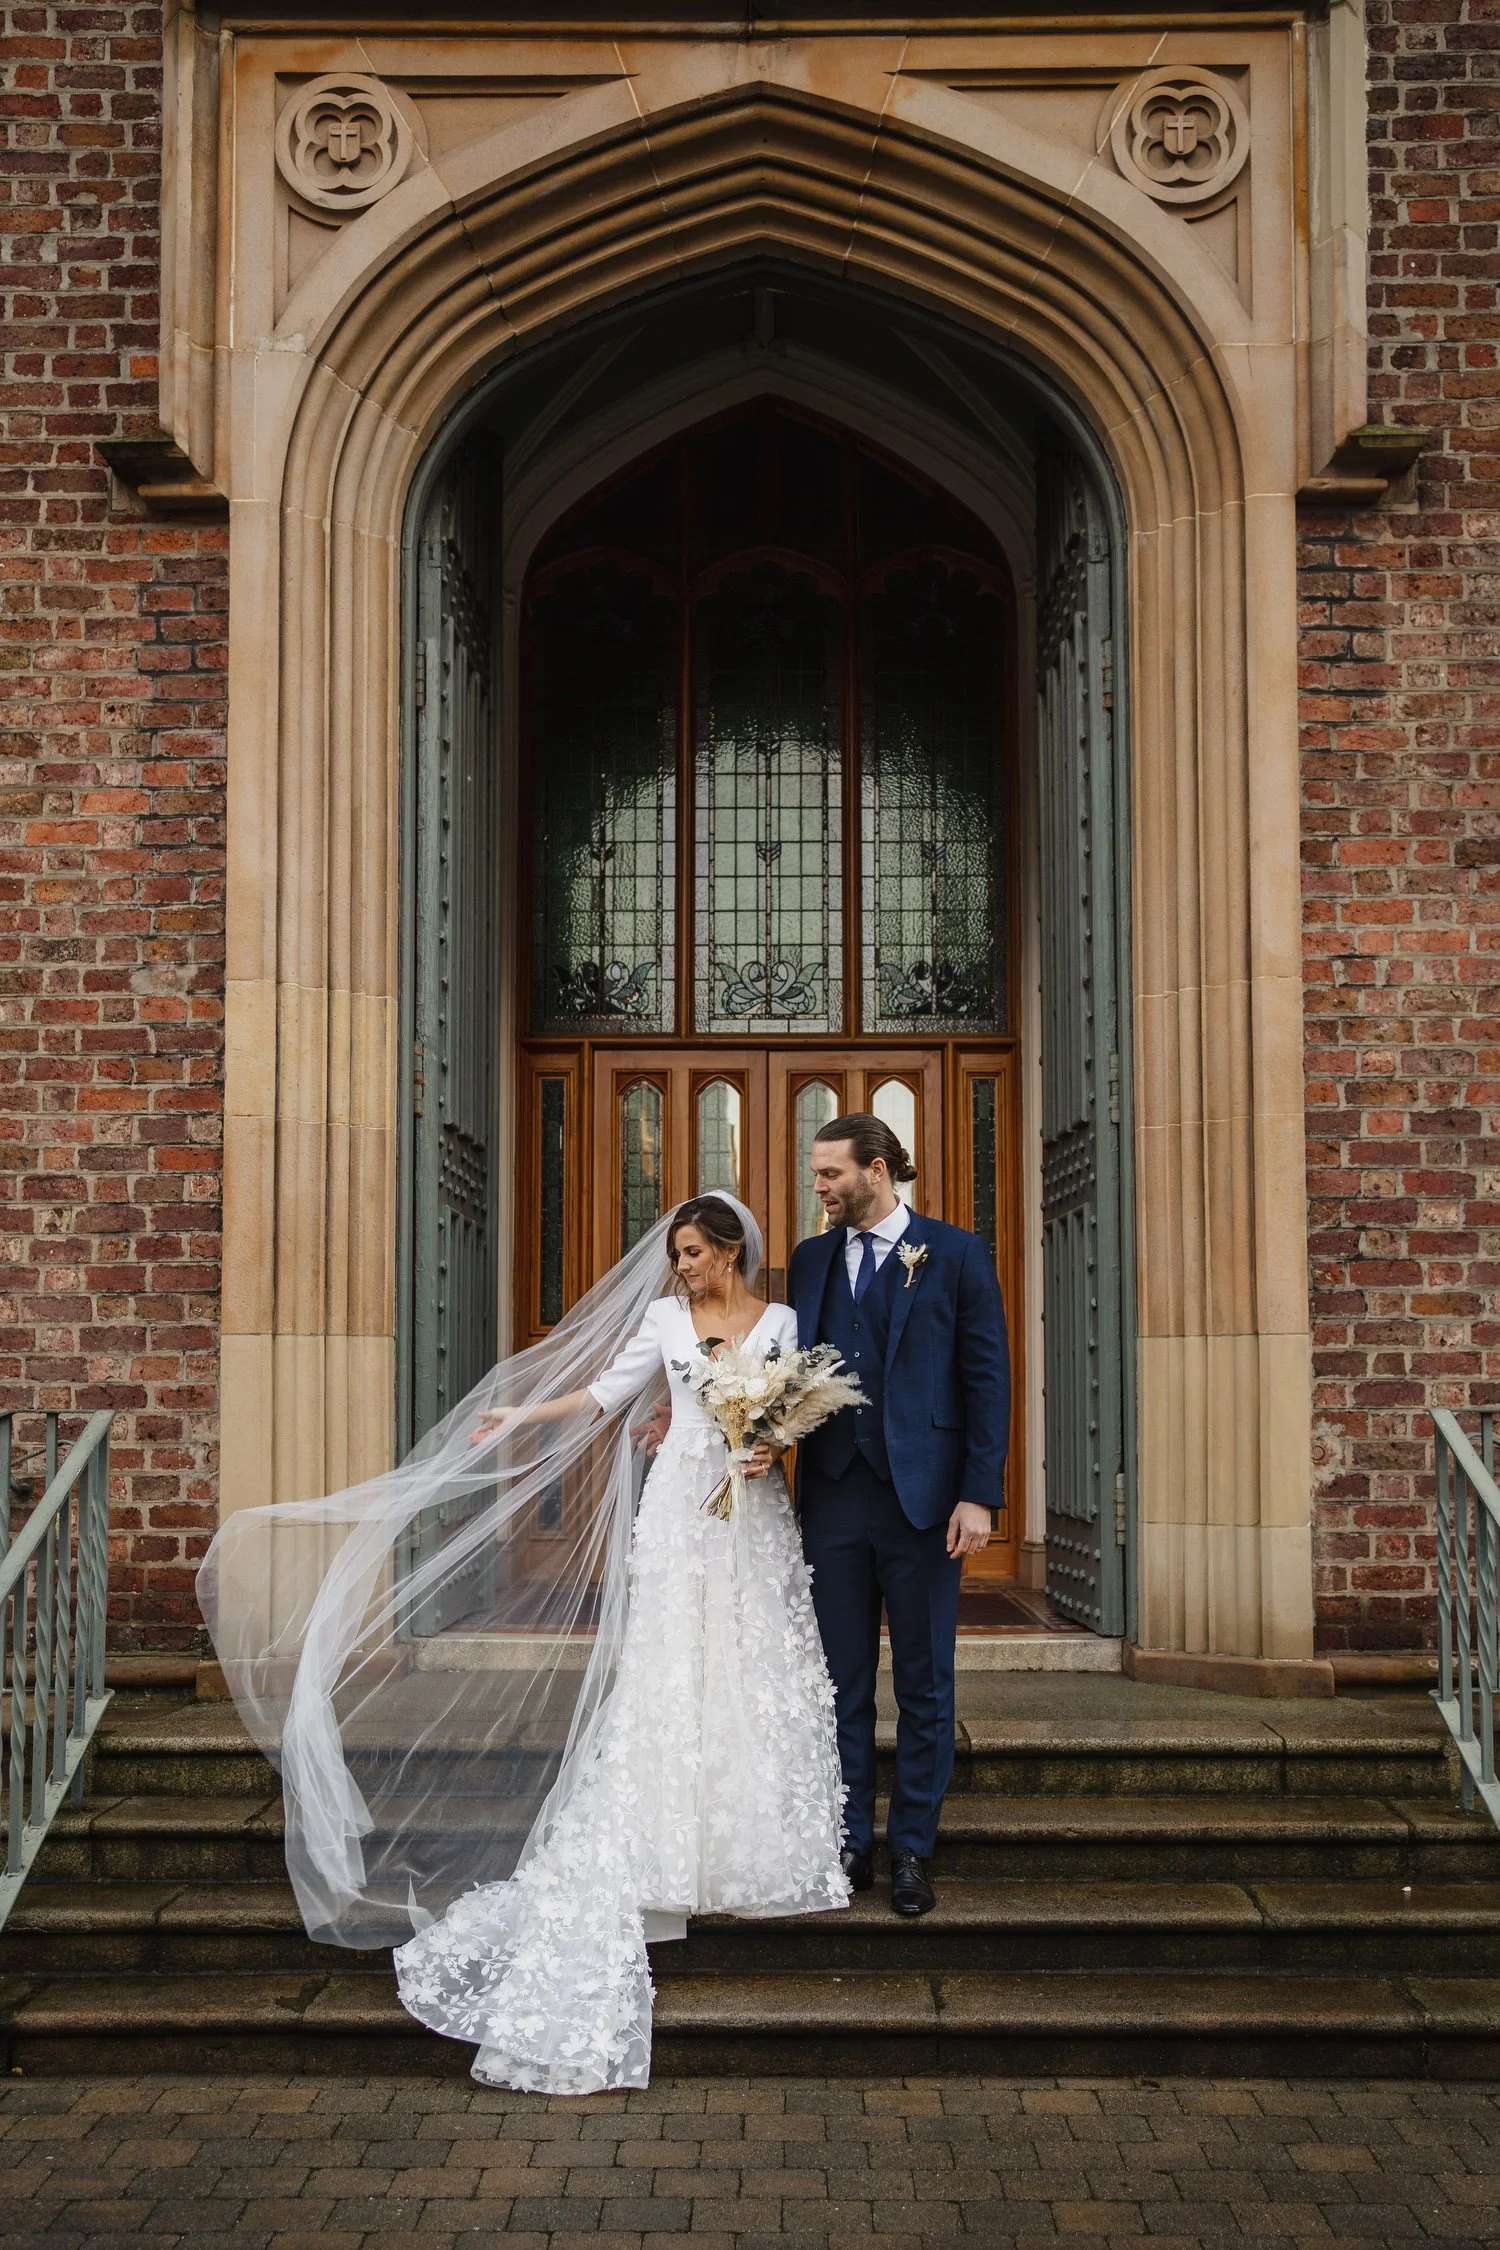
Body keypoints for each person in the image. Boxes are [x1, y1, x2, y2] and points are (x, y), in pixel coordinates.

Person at [200, 1192, 847, 2097]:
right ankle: (668, 1840)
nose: (682, 1268)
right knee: (672, 1665)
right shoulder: (666, 1320)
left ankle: (752, 1842)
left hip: (751, 1508)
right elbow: (605, 1391)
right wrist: (522, 1418)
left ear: (731, 1252)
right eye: (677, 1254)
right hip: (679, 1507)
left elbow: (795, 1410)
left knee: (755, 1659)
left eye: (695, 1253)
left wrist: (773, 1446)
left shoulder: (780, 1322)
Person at [788, 1114, 1010, 1918]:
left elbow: (987, 1379)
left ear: (876, 1170)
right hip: (834, 1497)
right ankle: (851, 1839)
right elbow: (786, 1372)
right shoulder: (810, 1260)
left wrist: (979, 1493)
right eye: (817, 1173)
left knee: (924, 1682)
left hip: (926, 1503)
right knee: (841, 1681)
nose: (819, 1185)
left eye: (831, 1173)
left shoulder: (955, 1253)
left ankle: (912, 1846)